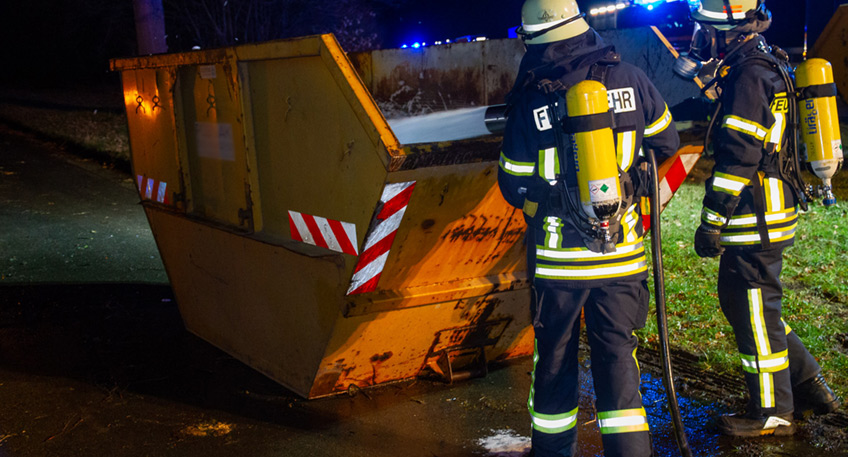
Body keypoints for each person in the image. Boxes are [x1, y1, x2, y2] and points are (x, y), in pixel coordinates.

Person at [497, 0, 679, 455]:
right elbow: (667, 142)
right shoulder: (631, 78)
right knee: (618, 360)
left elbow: (513, 182)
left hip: (560, 265)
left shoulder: (533, 98)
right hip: (623, 255)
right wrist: (632, 180)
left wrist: (546, 198)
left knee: (555, 363)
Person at [674, 0, 840, 437]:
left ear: (725, 32)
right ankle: (810, 385)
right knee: (751, 302)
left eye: (704, 30)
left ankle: (772, 411)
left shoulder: (749, 73)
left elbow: (740, 156)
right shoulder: (760, 61)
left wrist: (712, 220)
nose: (699, 38)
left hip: (754, 213)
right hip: (770, 208)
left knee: (753, 308)